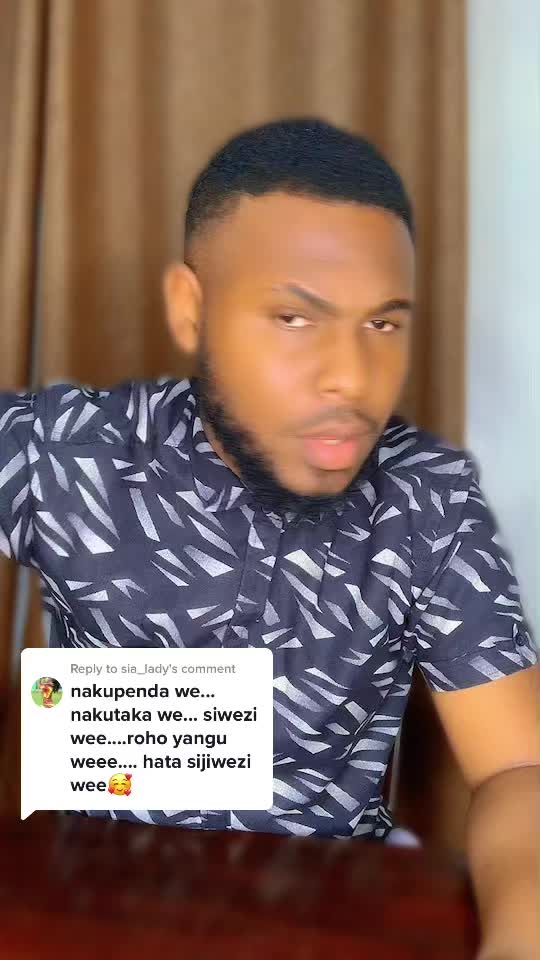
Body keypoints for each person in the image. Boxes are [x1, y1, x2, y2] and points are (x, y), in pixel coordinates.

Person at [1, 118, 539, 956]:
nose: (351, 379)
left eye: (383, 325)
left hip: (331, 915)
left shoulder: (424, 497)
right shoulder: (67, 454)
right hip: (95, 912)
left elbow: (517, 768)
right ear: (192, 309)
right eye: (294, 318)